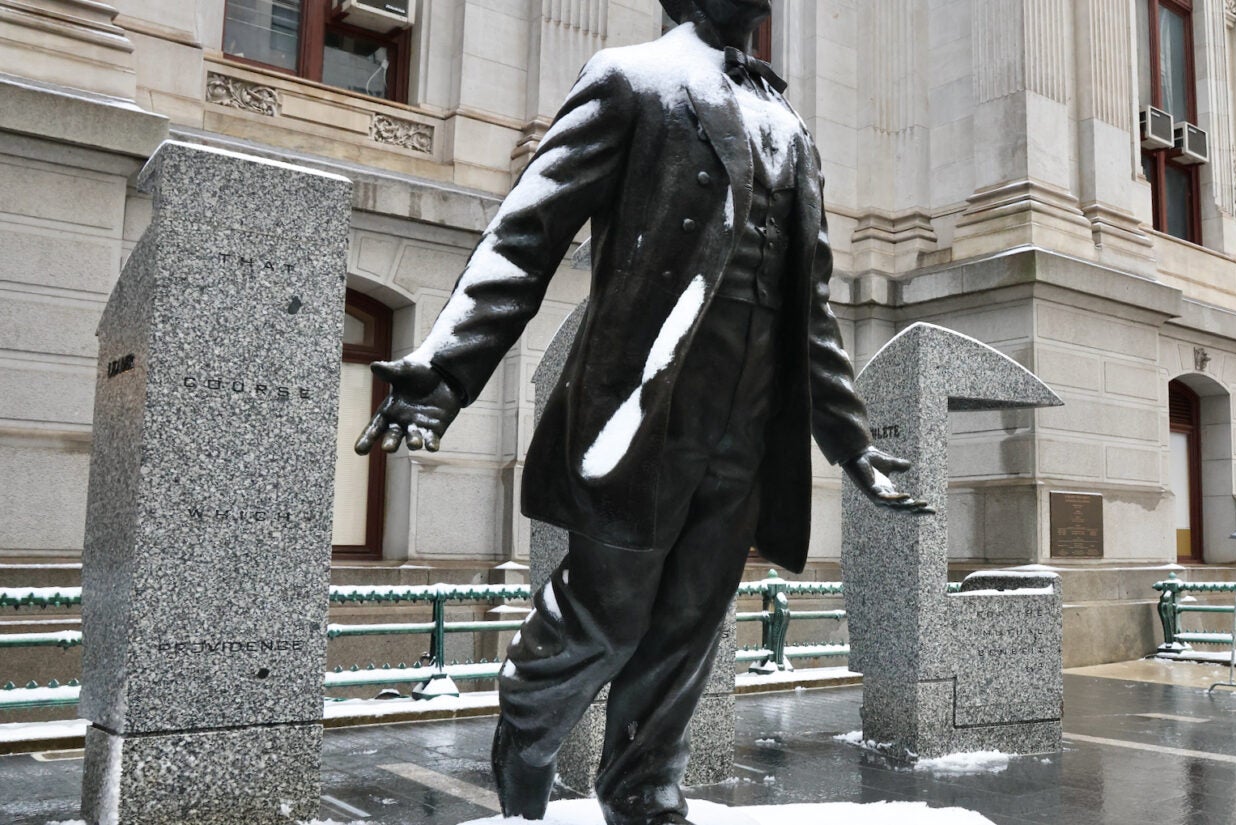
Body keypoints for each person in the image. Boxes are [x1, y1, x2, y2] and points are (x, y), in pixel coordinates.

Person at [353, 1, 930, 821]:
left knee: (688, 629)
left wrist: (852, 442)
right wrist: (441, 373)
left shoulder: (791, 126)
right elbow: (526, 233)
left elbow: (813, 311)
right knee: (607, 617)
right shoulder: (630, 80)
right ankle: (529, 712)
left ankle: (644, 790)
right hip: (642, 410)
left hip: (749, 426)